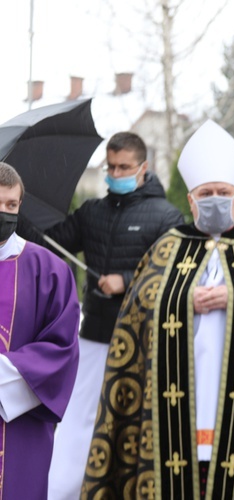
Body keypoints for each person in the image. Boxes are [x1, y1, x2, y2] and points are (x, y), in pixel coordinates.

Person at [81, 120, 234, 499]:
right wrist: (180, 301)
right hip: (175, 398)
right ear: (191, 200)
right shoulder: (168, 246)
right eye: (206, 192)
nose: (214, 198)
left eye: (222, 192)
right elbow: (136, 313)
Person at [16, 132, 186, 499]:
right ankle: (62, 489)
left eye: (124, 167)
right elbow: (50, 245)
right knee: (77, 417)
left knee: (134, 418)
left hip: (143, 338)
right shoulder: (92, 211)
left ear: (143, 168)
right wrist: (19, 212)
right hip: (93, 334)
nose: (115, 173)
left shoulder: (167, 216)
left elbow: (175, 273)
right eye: (110, 166)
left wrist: (126, 281)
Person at [0, 162, 80, 499]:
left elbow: (62, 347)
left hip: (20, 425)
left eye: (11, 205)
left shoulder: (49, 270)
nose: (3, 212)